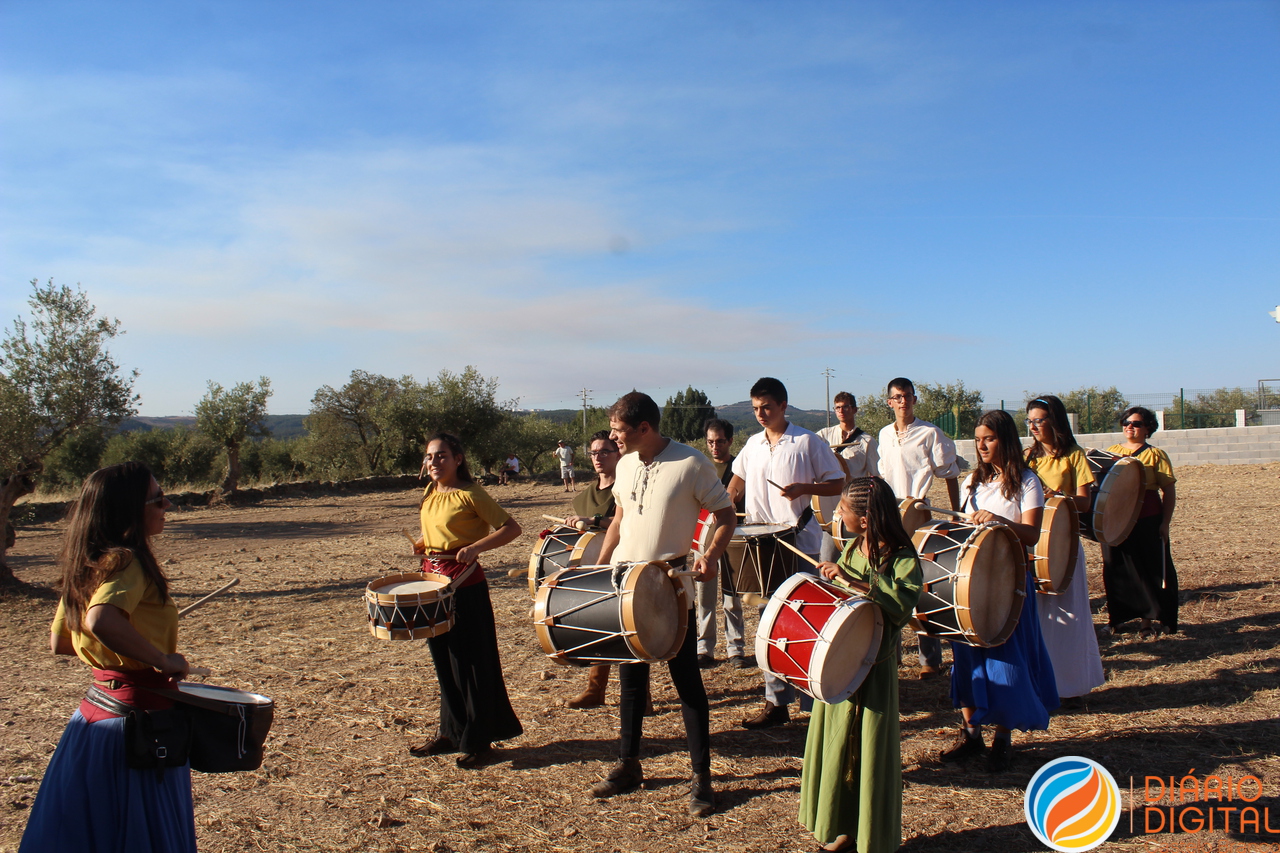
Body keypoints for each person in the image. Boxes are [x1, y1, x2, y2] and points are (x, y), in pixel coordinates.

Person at [20, 462, 197, 853]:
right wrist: (162, 659)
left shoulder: (87, 564)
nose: (166, 504)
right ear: (129, 509)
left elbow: (61, 643)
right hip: (138, 724)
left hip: (92, 719)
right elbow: (101, 620)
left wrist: (129, 641)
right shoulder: (128, 561)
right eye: (156, 498)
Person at [590, 392, 736, 817]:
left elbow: (725, 516)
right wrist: (598, 569)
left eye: (618, 430)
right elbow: (619, 519)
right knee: (630, 678)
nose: (613, 437)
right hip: (625, 584)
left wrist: (709, 555)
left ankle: (702, 780)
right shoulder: (627, 464)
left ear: (644, 429)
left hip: (671, 587)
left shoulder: (692, 463)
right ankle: (629, 764)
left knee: (686, 681)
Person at [803, 477, 922, 853]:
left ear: (867, 518)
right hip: (840, 662)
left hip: (874, 666)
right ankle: (841, 829)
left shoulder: (902, 557)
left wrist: (856, 582)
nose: (838, 513)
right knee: (837, 746)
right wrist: (831, 581)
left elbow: (900, 605)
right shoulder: (853, 547)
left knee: (868, 748)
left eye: (843, 509)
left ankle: (870, 834)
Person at [942, 410, 1058, 772]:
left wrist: (999, 521)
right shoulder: (972, 482)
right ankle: (971, 733)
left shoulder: (1027, 481)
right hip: (970, 584)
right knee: (966, 659)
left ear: (1005, 440)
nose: (981, 446)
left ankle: (1002, 739)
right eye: (977, 439)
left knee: (1007, 659)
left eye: (988, 439)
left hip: (1010, 584)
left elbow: (1032, 535)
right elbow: (962, 527)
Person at [729, 377, 845, 728]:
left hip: (800, 541)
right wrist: (719, 501)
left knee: (804, 621)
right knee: (768, 622)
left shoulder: (806, 441)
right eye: (755, 409)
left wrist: (804, 488)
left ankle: (812, 703)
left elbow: (837, 481)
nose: (760, 414)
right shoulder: (751, 445)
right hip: (761, 544)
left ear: (783, 406)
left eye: (766, 407)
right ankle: (775, 701)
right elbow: (736, 482)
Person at [408, 433, 523, 767]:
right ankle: (451, 732)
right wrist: (423, 541)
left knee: (471, 663)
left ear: (458, 459)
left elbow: (511, 528)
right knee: (443, 659)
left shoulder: (471, 493)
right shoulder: (430, 491)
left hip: (464, 586)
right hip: (432, 583)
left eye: (441, 456)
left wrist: (476, 547)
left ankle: (479, 739)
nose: (434, 462)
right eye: (430, 457)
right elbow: (438, 531)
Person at [876, 377, 961, 678]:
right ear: (889, 402)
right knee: (888, 582)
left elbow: (950, 471)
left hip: (919, 513)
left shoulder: (929, 433)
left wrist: (957, 513)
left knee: (922, 585)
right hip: (890, 516)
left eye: (907, 396)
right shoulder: (884, 435)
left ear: (914, 399)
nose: (902, 402)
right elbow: (883, 477)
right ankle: (890, 655)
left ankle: (930, 660)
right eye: (897, 397)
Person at [1024, 396, 1106, 700]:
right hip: (1035, 543)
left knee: (1068, 615)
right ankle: (1041, 685)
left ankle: (1070, 687)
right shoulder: (1027, 458)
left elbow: (1084, 502)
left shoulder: (1074, 455)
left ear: (1054, 421)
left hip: (1064, 543)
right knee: (1038, 616)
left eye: (1039, 420)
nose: (1033, 426)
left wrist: (1057, 495)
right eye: (1029, 421)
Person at [1101, 407, 1179, 637]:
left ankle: (1148, 623)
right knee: (1116, 569)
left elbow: (1169, 492)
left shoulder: (1156, 455)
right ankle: (1116, 620)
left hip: (1147, 519)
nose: (1129, 427)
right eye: (1126, 422)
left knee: (1149, 569)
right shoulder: (1111, 452)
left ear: (1147, 428)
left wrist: (1164, 523)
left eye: (1135, 423)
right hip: (1116, 521)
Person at [562, 430, 621, 709]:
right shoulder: (584, 495)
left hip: (623, 563)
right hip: (592, 568)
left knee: (627, 626)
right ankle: (595, 689)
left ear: (618, 454)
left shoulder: (625, 487)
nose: (598, 457)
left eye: (604, 452)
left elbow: (627, 522)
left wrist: (594, 520)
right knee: (601, 626)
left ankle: (640, 697)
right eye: (594, 452)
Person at [697, 418, 749, 669]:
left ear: (729, 440)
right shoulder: (702, 468)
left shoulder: (741, 467)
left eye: (719, 441)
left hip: (735, 537)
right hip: (705, 540)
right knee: (705, 596)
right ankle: (704, 648)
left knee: (733, 596)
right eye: (710, 442)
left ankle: (735, 649)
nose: (715, 446)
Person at [817, 392, 879, 562]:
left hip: (854, 505)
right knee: (827, 559)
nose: (841, 410)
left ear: (855, 409)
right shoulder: (823, 435)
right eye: (837, 407)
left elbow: (875, 476)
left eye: (845, 407)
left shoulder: (867, 441)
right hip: (828, 505)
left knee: (856, 558)